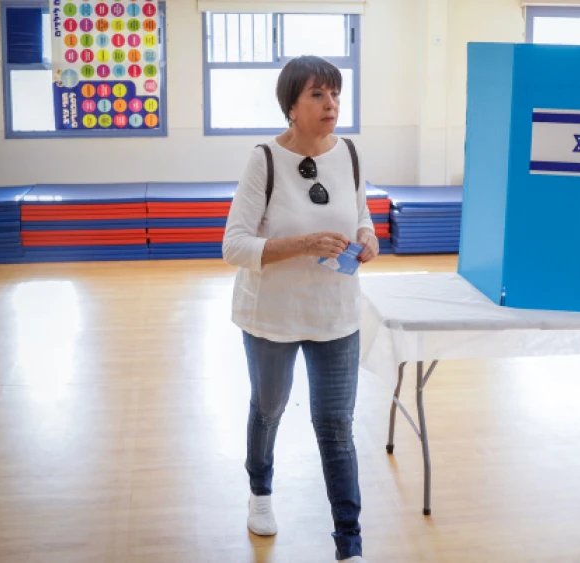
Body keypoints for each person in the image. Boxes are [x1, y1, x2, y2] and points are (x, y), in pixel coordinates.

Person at [222, 55, 377, 563]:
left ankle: (349, 543)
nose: (331, 103)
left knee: (336, 426)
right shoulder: (264, 159)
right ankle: (260, 490)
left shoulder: (349, 153)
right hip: (272, 317)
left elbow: (361, 213)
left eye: (334, 93)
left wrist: (366, 238)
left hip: (336, 316)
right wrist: (301, 243)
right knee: (268, 409)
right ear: (291, 106)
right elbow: (234, 245)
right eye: (317, 95)